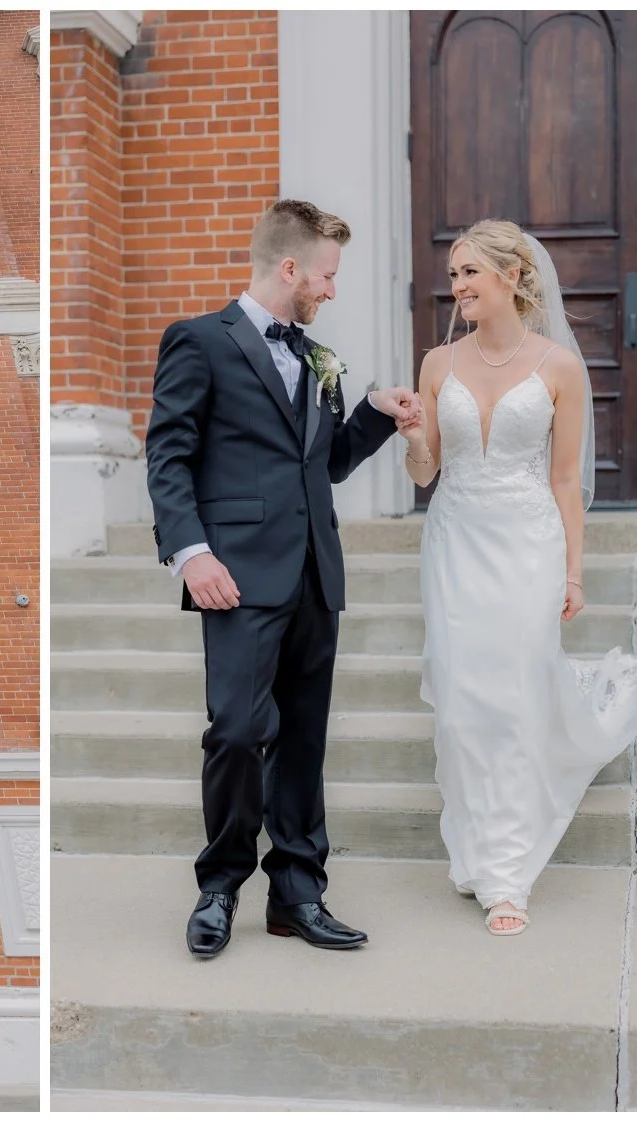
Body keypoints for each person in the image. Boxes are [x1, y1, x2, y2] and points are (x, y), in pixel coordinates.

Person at [146, 199, 421, 958]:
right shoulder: (200, 341)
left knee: (302, 741)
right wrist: (190, 552)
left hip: (314, 574)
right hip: (233, 573)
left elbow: (323, 464)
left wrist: (371, 414)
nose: (332, 291)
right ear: (291, 267)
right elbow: (168, 455)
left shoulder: (315, 357)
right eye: (327, 276)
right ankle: (221, 885)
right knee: (236, 731)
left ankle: (298, 893)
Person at [401, 219, 637, 935]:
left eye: (470, 273)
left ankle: (507, 872)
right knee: (458, 699)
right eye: (454, 275)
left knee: (513, 698)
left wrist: (574, 573)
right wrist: (415, 439)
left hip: (527, 542)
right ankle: (474, 842)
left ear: (512, 277)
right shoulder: (437, 363)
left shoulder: (558, 367)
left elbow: (567, 478)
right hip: (454, 539)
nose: (457, 287)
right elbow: (427, 475)